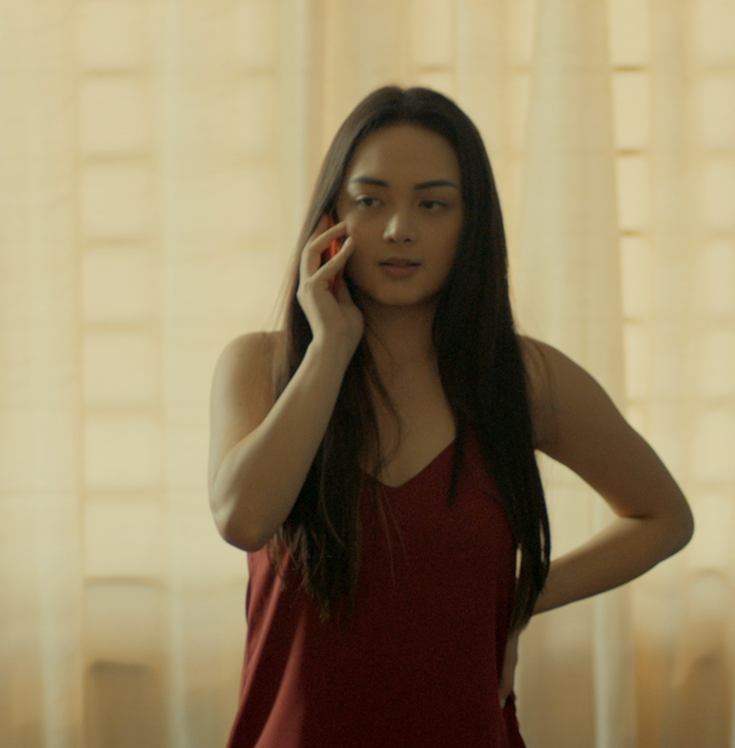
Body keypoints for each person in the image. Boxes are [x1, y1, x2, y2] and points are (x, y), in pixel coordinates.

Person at [209, 86, 693, 748]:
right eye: (370, 200)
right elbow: (243, 519)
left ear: (471, 224)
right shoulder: (260, 366)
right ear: (330, 220)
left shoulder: (524, 378)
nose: (399, 228)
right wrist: (329, 350)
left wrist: (513, 602)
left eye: (432, 204)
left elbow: (663, 518)